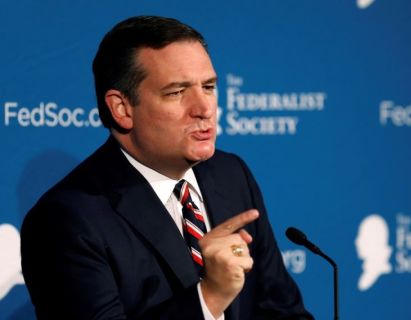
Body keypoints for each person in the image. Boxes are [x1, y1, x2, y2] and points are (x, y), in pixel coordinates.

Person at [21, 16, 313, 320]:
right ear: (122, 109)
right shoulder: (66, 221)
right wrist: (210, 296)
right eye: (176, 92)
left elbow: (284, 312)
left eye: (209, 86)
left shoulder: (231, 174)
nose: (204, 109)